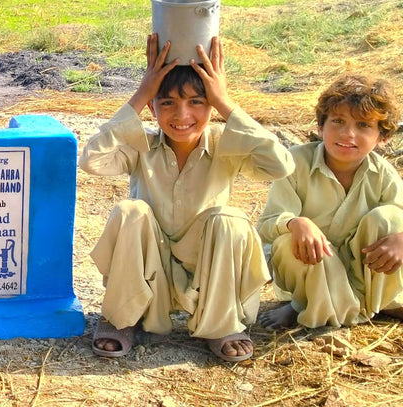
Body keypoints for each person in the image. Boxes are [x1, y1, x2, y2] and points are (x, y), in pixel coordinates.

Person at [80, 34, 294, 362]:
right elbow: (91, 160)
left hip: (208, 272)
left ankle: (220, 323)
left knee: (230, 219)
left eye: (197, 102)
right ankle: (123, 317)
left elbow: (280, 165)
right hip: (152, 272)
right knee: (130, 210)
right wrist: (140, 95)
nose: (182, 115)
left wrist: (226, 103)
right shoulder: (142, 147)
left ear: (211, 105)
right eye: (167, 102)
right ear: (152, 107)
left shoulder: (226, 143)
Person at [258, 74, 403, 329]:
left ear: (382, 137)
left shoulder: (383, 174)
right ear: (321, 126)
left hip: (360, 269)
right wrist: (296, 223)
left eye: (363, 125)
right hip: (312, 267)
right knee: (285, 241)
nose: (348, 134)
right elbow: (268, 224)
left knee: (389, 219)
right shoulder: (296, 162)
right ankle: (305, 304)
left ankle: (371, 301)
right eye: (337, 121)